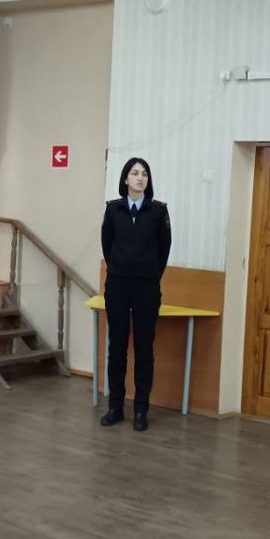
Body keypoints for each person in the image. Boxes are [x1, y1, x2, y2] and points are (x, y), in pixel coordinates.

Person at [99, 157, 171, 432]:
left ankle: (141, 410)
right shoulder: (113, 209)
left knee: (144, 349)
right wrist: (120, 267)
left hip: (146, 287)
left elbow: (164, 249)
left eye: (144, 174)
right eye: (135, 173)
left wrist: (148, 273)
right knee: (116, 348)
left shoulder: (158, 211)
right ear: (125, 179)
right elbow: (107, 244)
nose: (140, 178)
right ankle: (115, 407)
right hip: (117, 284)